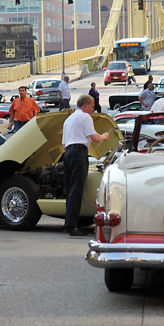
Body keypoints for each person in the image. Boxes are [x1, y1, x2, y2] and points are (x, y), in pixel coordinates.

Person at [62, 94, 112, 236]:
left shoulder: (69, 119)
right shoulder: (85, 117)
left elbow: (64, 144)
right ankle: (72, 226)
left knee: (71, 189)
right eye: (92, 105)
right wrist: (104, 136)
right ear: (85, 105)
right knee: (77, 190)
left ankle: (69, 223)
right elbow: (94, 138)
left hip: (68, 154)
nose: (93, 108)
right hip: (78, 154)